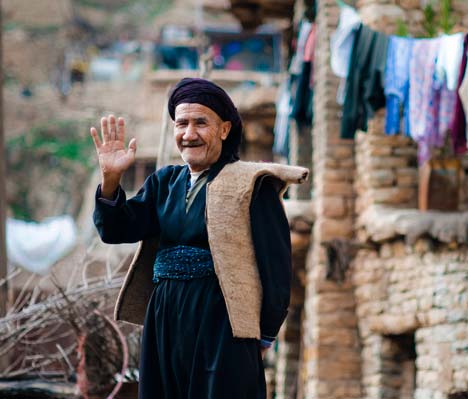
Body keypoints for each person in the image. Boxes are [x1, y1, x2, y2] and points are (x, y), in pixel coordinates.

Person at [90, 77, 309, 398]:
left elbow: (275, 267)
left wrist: (262, 335)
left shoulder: (253, 184)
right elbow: (116, 230)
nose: (189, 134)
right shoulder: (164, 182)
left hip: (222, 321)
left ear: (224, 129)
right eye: (182, 124)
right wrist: (111, 181)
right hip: (164, 318)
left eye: (200, 123)